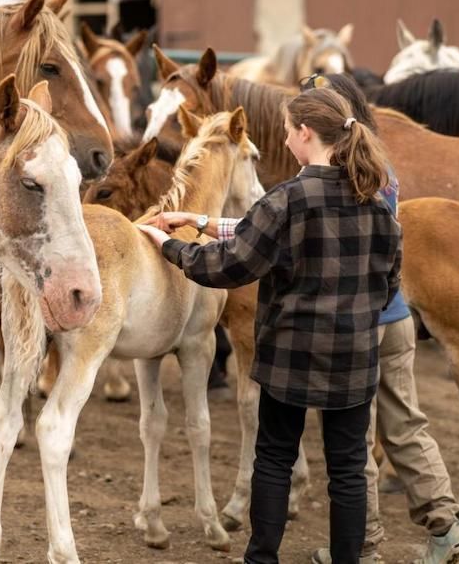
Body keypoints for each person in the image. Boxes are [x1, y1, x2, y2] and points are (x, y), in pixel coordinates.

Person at [138, 86, 402, 564]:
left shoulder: (288, 200)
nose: (282, 141)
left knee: (274, 460)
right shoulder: (378, 206)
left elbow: (231, 266)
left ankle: (262, 559)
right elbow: (387, 286)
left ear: (305, 134)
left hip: (289, 356)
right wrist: (196, 220)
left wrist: (168, 246)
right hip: (355, 360)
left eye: (285, 132)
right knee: (347, 470)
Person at [299, 74, 459, 564]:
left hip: (355, 323)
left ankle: (363, 545)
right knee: (406, 425)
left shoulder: (327, 172)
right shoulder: (381, 164)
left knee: (354, 439)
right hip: (395, 315)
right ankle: (446, 525)